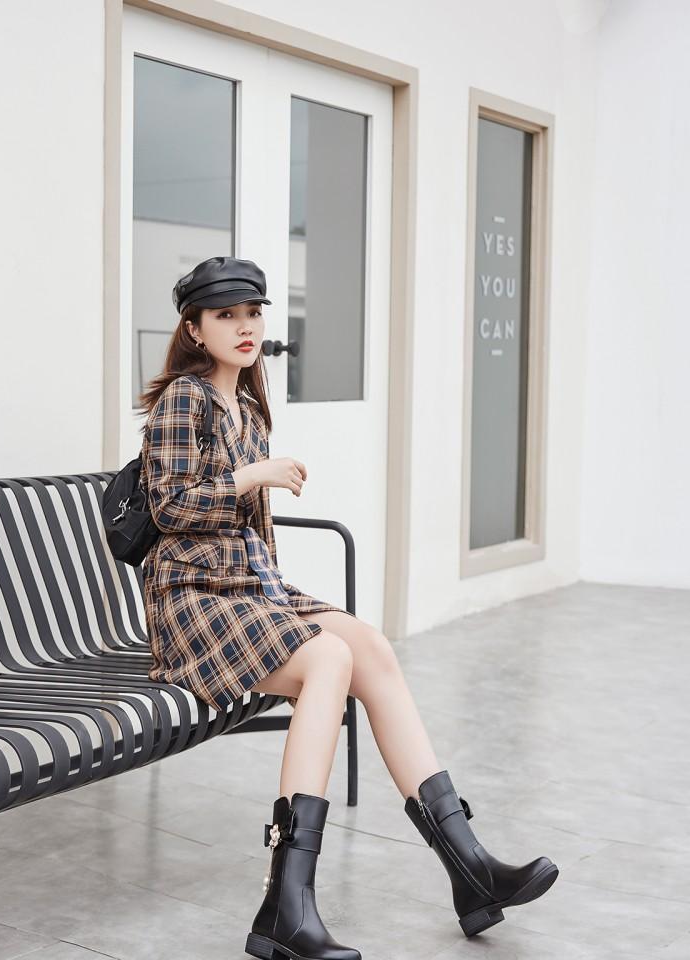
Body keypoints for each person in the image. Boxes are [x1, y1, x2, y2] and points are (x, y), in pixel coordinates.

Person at [136, 256, 559, 956]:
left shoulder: (247, 408)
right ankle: (285, 903)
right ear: (194, 328)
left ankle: (470, 867)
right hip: (192, 600)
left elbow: (244, 531)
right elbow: (170, 507)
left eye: (253, 312)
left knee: (369, 647)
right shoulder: (186, 399)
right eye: (225, 315)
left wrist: (269, 559)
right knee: (327, 659)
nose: (244, 326)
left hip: (248, 590)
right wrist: (253, 475)